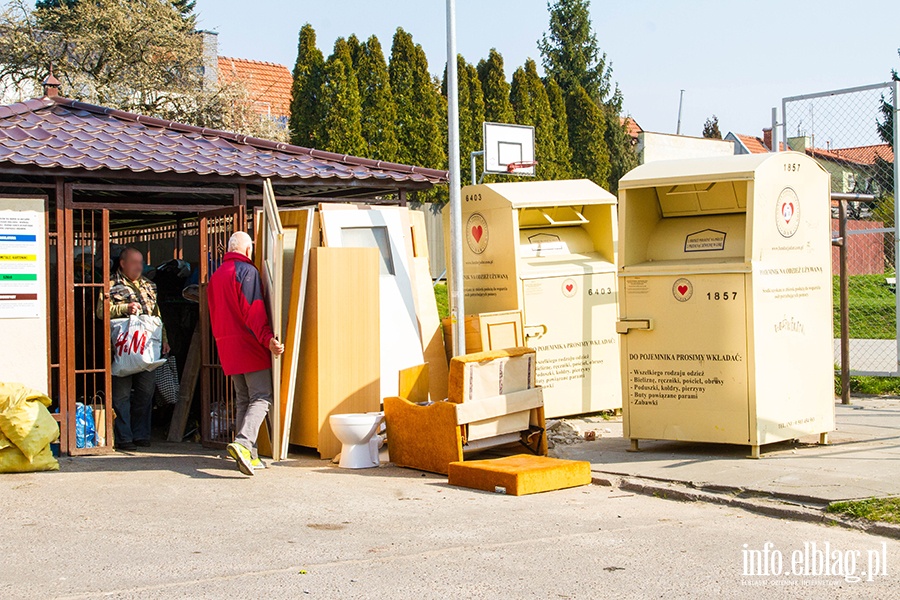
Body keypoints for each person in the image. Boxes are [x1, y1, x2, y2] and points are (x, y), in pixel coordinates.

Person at [207, 231, 284, 476]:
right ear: (248, 250)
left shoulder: (216, 276)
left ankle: (247, 454)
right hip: (248, 344)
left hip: (226, 347)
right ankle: (243, 443)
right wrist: (268, 339)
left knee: (243, 399)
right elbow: (254, 311)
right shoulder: (246, 272)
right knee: (262, 396)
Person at [97, 247, 169, 451]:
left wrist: (164, 338)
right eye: (134, 262)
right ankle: (124, 437)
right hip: (122, 348)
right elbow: (101, 312)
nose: (139, 267)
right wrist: (124, 309)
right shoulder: (109, 285)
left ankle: (141, 434)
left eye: (141, 263)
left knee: (146, 392)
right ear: (122, 263)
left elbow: (157, 315)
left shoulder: (149, 285)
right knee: (121, 395)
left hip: (147, 347)